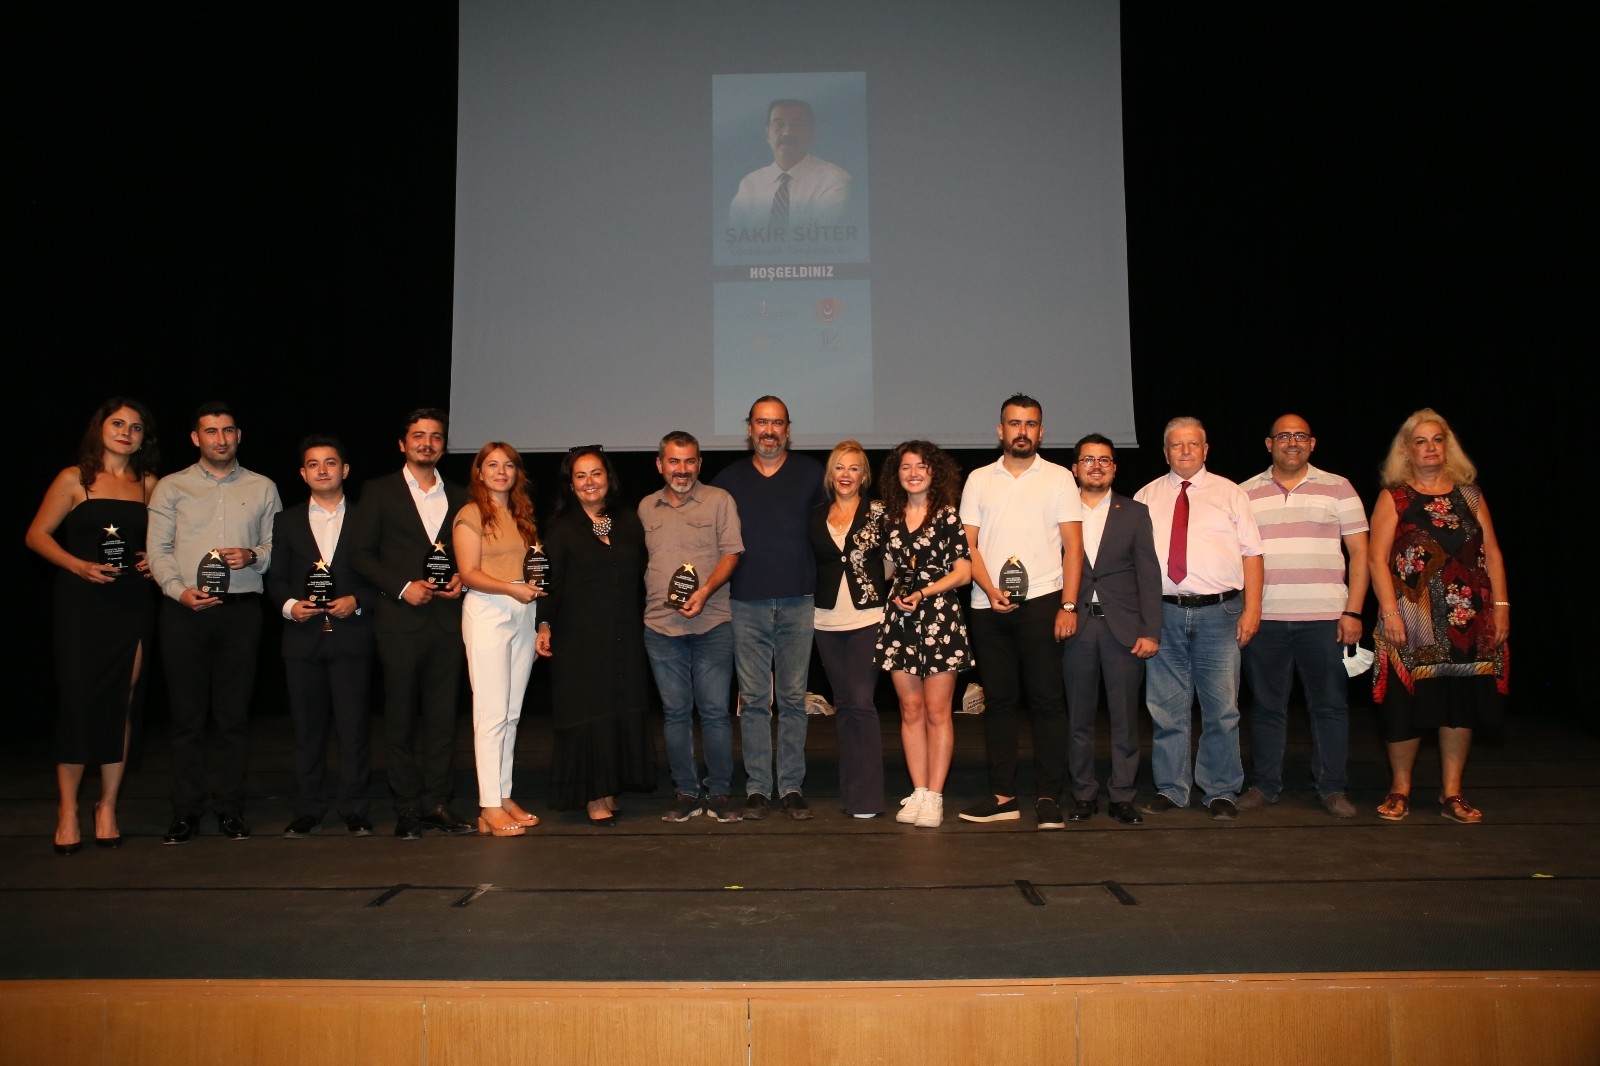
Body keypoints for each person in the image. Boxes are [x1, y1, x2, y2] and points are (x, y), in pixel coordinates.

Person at [26, 398, 159, 854]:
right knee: (79, 702)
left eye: (136, 427)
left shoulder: (151, 484)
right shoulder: (73, 478)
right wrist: (77, 566)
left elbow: (162, 543)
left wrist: (154, 560)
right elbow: (36, 535)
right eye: (117, 423)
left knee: (123, 700)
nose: (126, 432)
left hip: (132, 603)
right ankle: (67, 810)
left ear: (144, 438)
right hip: (81, 604)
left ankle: (107, 807)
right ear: (99, 429)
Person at [146, 401, 282, 843]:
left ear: (238, 435)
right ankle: (185, 811)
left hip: (241, 611)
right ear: (195, 438)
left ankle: (229, 809)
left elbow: (276, 545)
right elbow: (158, 550)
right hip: (184, 610)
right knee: (186, 718)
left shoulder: (263, 487)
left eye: (227, 431)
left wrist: (253, 555)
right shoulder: (171, 487)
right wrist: (177, 591)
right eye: (210, 431)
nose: (220, 439)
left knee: (232, 717)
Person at [1369, 409, 1508, 824]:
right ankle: (1400, 790)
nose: (1430, 448)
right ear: (1406, 452)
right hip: (1411, 621)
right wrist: (1390, 612)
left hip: (1468, 622)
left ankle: (1452, 793)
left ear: (1448, 447)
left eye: (1437, 439)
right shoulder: (1395, 497)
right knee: (1405, 706)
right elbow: (1376, 559)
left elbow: (1492, 552)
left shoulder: (1471, 497)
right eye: (1420, 441)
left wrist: (1502, 607)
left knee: (1460, 706)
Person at [956, 394, 1083, 830]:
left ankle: (1048, 797)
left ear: (1041, 432)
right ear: (1001, 430)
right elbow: (968, 545)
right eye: (1015, 423)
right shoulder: (979, 479)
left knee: (1047, 702)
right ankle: (1003, 796)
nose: (1022, 431)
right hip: (987, 604)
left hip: (1044, 601)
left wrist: (1068, 604)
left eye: (1030, 424)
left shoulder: (1060, 478)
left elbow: (1074, 548)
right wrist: (990, 590)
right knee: (999, 703)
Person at [346, 408, 474, 839]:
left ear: (444, 446)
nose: (427, 443)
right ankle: (405, 807)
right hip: (399, 622)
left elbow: (470, 554)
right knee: (400, 720)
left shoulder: (462, 495)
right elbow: (359, 554)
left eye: (435, 436)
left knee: (442, 720)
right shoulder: (378, 491)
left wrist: (462, 579)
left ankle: (436, 802)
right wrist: (402, 587)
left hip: (447, 622)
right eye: (419, 435)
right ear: (403, 444)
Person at [1239, 414, 1370, 819]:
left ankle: (1332, 788)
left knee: (1329, 706)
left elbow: (1361, 553)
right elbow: (1237, 558)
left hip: (1326, 619)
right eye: (1283, 436)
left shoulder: (1338, 487)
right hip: (1265, 619)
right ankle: (1264, 785)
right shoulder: (1244, 493)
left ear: (1312, 443)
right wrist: (1246, 611)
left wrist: (1353, 610)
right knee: (1266, 707)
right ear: (1269, 443)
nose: (1291, 442)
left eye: (1300, 436)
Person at [1134, 416, 1264, 821]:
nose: (1185, 450)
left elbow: (1252, 554)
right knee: (1165, 708)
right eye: (1177, 444)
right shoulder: (1146, 496)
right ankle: (1171, 788)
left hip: (1221, 613)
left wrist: (1253, 610)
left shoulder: (1231, 493)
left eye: (1193, 444)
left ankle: (1220, 790)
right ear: (1165, 452)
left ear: (1206, 450)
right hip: (1163, 613)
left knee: (1222, 709)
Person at [715, 396, 827, 821]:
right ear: (749, 428)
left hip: (799, 601)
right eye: (762, 422)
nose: (769, 431)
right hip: (746, 603)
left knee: (794, 700)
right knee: (755, 701)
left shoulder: (813, 474)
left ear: (788, 430)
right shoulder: (728, 480)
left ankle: (792, 786)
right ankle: (759, 788)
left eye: (777, 423)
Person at [535, 446, 656, 826]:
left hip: (623, 635)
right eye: (581, 476)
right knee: (589, 713)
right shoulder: (561, 529)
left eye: (596, 474)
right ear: (571, 485)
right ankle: (592, 796)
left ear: (609, 478)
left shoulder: (627, 521)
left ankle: (609, 787)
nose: (590, 482)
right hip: (579, 639)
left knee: (617, 708)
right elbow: (549, 584)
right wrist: (544, 624)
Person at [268, 435, 377, 838]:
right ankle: (309, 808)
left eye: (330, 462)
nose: (322, 470)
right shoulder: (286, 521)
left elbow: (382, 577)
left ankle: (355, 809)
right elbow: (276, 578)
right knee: (307, 730)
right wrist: (289, 606)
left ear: (344, 470)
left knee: (353, 730)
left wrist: (358, 600)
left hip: (352, 637)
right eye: (313, 464)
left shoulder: (368, 517)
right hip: (303, 639)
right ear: (303, 474)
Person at [640, 431, 745, 824]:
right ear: (660, 465)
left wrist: (704, 592)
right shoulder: (645, 507)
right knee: (675, 714)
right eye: (674, 461)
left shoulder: (719, 500)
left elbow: (731, 553)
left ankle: (719, 793)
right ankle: (685, 791)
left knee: (715, 712)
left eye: (689, 461)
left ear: (699, 464)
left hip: (712, 623)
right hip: (660, 629)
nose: (681, 469)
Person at [1062, 433, 1161, 825]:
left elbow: (1149, 575)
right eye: (1089, 459)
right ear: (1075, 468)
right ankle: (1083, 794)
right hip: (1076, 627)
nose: (1097, 466)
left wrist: (1151, 630)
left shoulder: (1134, 512)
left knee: (1124, 719)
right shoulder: (1059, 511)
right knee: (1078, 718)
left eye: (1104, 460)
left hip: (1124, 629)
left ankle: (1122, 795)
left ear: (1114, 469)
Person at [876, 440, 973, 829]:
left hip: (939, 619)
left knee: (937, 711)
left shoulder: (946, 516)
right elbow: (887, 570)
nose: (913, 473)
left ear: (934, 471)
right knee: (910, 709)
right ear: (896, 475)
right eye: (905, 467)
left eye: (920, 466)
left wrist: (924, 592)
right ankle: (918, 790)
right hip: (899, 620)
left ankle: (934, 795)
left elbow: (963, 572)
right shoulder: (889, 518)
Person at [451, 442, 544, 837]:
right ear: (479, 472)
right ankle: (488, 806)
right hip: (489, 610)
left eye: (508, 465)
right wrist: (510, 588)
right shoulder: (470, 514)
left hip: (523, 611)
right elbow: (468, 573)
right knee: (490, 714)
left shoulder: (522, 515)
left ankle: (503, 796)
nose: (501, 471)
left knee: (510, 713)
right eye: (492, 465)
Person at [808, 440, 888, 818]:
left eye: (854, 468)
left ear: (864, 475)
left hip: (867, 619)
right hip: (825, 620)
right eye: (840, 467)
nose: (846, 474)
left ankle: (868, 798)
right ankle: (851, 794)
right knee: (843, 706)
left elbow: (892, 561)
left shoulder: (879, 512)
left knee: (861, 702)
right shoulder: (815, 516)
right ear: (831, 474)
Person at [728, 99, 851, 231]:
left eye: (797, 125)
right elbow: (732, 237)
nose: (787, 132)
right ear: (767, 134)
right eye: (779, 124)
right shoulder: (749, 185)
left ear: (812, 135)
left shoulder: (834, 181)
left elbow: (828, 237)